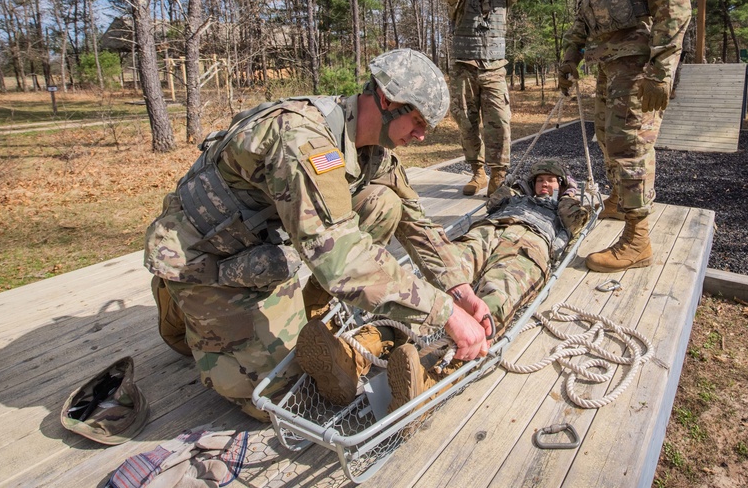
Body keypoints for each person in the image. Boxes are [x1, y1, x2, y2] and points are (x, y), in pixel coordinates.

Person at [144, 49, 491, 421]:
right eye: (418, 121)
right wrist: (445, 313)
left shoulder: (373, 148)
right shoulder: (302, 139)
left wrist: (459, 289)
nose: (422, 136)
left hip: (264, 253)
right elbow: (341, 259)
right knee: (280, 397)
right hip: (206, 257)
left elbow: (416, 222)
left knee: (384, 202)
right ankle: (178, 303)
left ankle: (309, 311)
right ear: (388, 100)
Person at [312, 159, 591, 411]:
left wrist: (565, 197)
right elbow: (493, 203)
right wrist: (507, 193)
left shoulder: (564, 208)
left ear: (561, 185)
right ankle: (355, 354)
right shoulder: (516, 197)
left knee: (494, 299)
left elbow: (577, 223)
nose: (545, 184)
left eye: (552, 181)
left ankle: (430, 380)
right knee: (433, 289)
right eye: (540, 180)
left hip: (529, 245)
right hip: (486, 231)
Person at [557, 0, 691, 273]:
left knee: (630, 144)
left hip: (639, 66)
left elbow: (674, 8)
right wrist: (569, 57)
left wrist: (661, 70)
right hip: (610, 65)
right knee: (607, 137)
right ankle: (620, 199)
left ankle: (638, 239)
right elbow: (587, 12)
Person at [441, 0, 535, 197]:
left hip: (494, 70)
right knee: (467, 123)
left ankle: (498, 175)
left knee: (499, 122)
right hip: (464, 69)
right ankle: (478, 172)